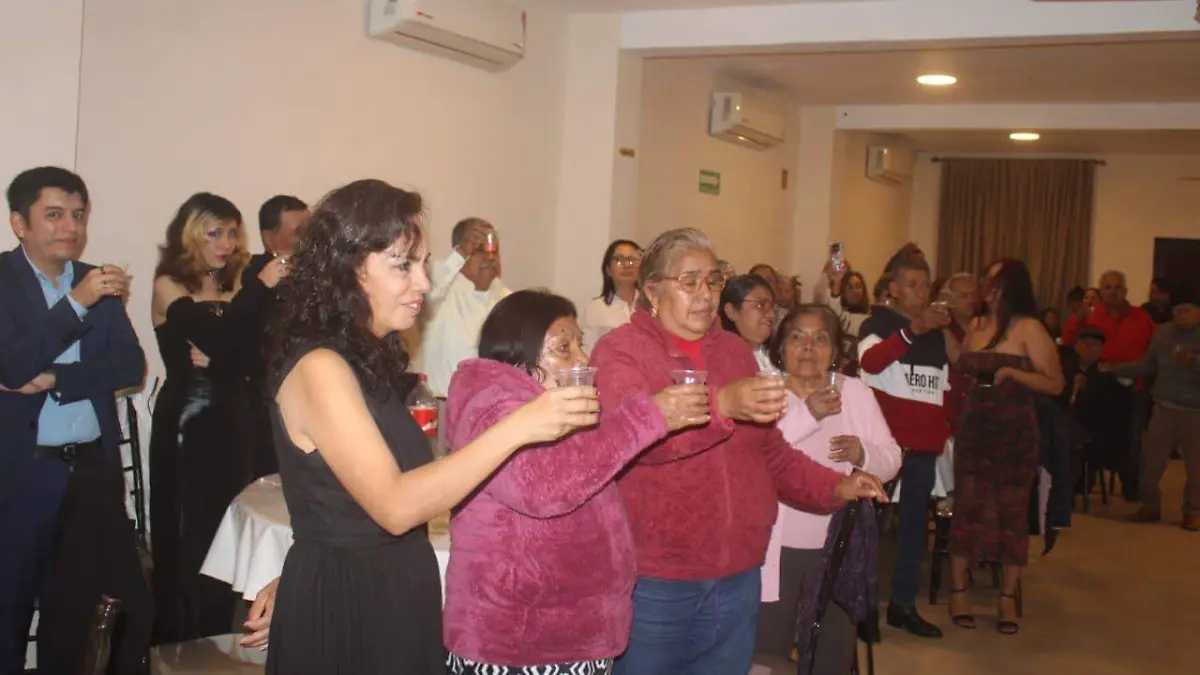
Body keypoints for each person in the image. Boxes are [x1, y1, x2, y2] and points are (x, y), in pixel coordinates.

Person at [258, 179, 599, 674]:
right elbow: (395, 507)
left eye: (422, 264)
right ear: (348, 270)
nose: (423, 283)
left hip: (384, 586)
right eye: (403, 265)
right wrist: (521, 426)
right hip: (354, 600)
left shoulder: (363, 361)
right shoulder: (321, 367)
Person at [591, 228, 887, 675]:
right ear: (652, 290)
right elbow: (635, 441)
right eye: (689, 282)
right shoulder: (622, 353)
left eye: (713, 281)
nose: (705, 295)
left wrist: (836, 485)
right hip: (657, 576)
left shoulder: (733, 352)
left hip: (738, 572)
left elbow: (769, 452)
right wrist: (723, 404)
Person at [443, 290, 709, 673]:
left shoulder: (551, 404)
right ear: (520, 353)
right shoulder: (493, 403)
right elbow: (544, 487)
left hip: (570, 635)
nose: (583, 360)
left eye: (580, 345)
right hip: (517, 641)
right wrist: (648, 416)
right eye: (563, 348)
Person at [1, 166, 151, 674]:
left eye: (78, 215)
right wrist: (74, 303)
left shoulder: (97, 281)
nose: (70, 226)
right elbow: (12, 365)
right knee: (9, 615)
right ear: (20, 223)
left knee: (78, 618)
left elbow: (130, 366)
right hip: (20, 476)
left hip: (89, 472)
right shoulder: (4, 280)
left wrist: (56, 380)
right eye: (55, 215)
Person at [756, 305, 902, 673]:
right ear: (781, 347)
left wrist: (864, 453)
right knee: (768, 649)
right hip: (776, 545)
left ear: (836, 351)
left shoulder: (855, 393)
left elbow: (892, 458)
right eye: (797, 337)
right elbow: (759, 456)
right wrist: (809, 413)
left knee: (833, 648)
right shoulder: (764, 393)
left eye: (821, 338)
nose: (808, 346)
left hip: (838, 543)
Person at [149, 192, 259, 642]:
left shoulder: (237, 286)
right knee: (185, 536)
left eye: (232, 232)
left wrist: (224, 356)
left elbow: (254, 356)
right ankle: (175, 647)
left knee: (226, 534)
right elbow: (220, 340)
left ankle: (215, 643)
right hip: (188, 421)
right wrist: (228, 350)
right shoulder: (169, 284)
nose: (226, 243)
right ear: (191, 234)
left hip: (235, 417)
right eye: (214, 232)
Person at [948, 259, 1064, 635]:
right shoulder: (978, 325)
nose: (987, 285)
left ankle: (1007, 598)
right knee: (967, 506)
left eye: (993, 279)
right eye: (985, 278)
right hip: (974, 427)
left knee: (1012, 514)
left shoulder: (1028, 327)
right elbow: (960, 366)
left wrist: (1014, 372)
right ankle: (959, 590)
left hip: (1015, 429)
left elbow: (1055, 383)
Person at [858, 254, 952, 639]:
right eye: (910, 284)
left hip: (923, 448)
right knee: (871, 531)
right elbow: (870, 363)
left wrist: (943, 430)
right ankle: (862, 609)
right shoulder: (877, 323)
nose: (919, 292)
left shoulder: (938, 334)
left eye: (924, 285)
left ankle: (903, 605)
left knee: (914, 531)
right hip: (885, 446)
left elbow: (941, 389)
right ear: (893, 288)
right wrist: (912, 330)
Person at [1108, 288, 1200, 531]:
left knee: (1196, 467)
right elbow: (1148, 365)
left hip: (1195, 412)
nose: (1182, 316)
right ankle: (1150, 505)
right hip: (1163, 407)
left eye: (1187, 311)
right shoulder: (1163, 333)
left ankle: (1193, 512)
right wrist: (1116, 369)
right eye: (1178, 311)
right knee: (1150, 461)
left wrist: (1194, 361)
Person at [232, 195, 307, 479]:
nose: (308, 240)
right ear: (269, 239)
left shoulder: (318, 275)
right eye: (298, 233)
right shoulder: (253, 277)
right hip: (265, 407)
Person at [418, 217, 510, 397]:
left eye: (493, 249)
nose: (489, 257)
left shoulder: (508, 299)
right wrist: (460, 254)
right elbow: (429, 291)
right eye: (478, 249)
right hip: (440, 409)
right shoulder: (441, 292)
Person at [580, 239, 642, 352]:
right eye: (619, 260)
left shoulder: (653, 306)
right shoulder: (595, 308)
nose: (627, 265)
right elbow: (587, 351)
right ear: (608, 269)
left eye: (632, 260)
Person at [719, 273, 777, 371]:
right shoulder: (721, 358)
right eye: (760, 305)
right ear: (731, 311)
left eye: (772, 307)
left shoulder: (779, 354)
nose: (772, 315)